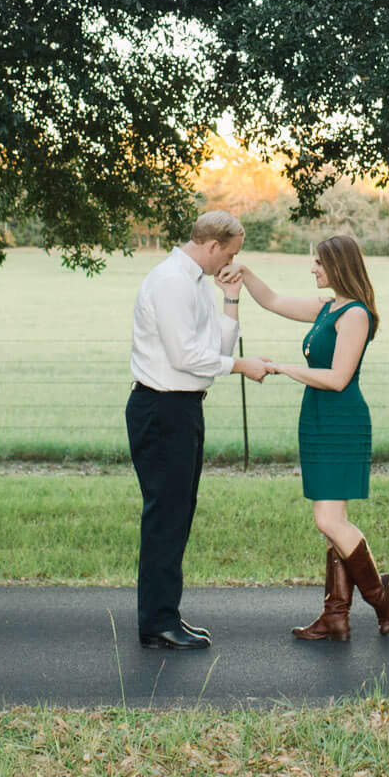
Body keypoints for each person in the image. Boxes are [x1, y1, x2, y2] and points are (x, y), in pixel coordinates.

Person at [232, 233, 389, 642]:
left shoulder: (355, 315)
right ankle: (334, 616)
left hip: (342, 421)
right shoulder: (328, 307)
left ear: (339, 266)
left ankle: (380, 596)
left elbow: (339, 378)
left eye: (319, 263)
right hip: (318, 418)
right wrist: (245, 273)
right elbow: (273, 300)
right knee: (331, 523)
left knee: (329, 520)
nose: (313, 269)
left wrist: (283, 368)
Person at [126, 209, 268, 650]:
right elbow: (186, 357)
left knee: (179, 514)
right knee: (165, 518)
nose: (230, 262)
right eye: (230, 254)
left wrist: (231, 299)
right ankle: (156, 624)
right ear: (211, 246)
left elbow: (214, 350)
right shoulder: (171, 282)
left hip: (184, 408)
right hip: (161, 408)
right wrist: (241, 366)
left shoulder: (198, 284)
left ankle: (166, 615)